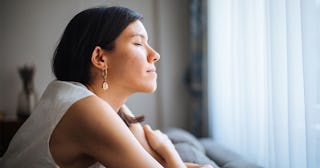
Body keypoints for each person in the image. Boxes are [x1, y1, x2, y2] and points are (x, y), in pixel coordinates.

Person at [0, 6, 212, 168]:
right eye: (138, 43)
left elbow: (157, 163)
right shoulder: (83, 109)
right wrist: (168, 148)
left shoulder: (111, 107)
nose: (155, 55)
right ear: (100, 58)